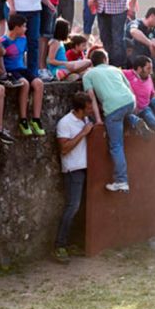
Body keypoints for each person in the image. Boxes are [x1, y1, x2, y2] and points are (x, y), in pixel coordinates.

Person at [83, 49, 152, 193]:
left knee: (116, 146)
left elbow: (92, 99)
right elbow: (130, 89)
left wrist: (98, 119)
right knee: (124, 115)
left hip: (113, 108)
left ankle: (121, 181)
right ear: (105, 60)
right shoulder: (115, 69)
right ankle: (134, 120)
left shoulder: (88, 75)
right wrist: (134, 107)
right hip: (129, 101)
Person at [52, 92, 94, 263]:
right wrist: (83, 133)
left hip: (84, 168)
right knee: (72, 207)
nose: (92, 110)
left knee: (79, 207)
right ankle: (59, 245)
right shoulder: (65, 123)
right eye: (89, 108)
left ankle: (69, 243)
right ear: (79, 109)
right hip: (73, 169)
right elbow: (64, 148)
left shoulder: (84, 120)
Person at [0, 14, 46, 136]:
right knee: (24, 84)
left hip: (21, 68)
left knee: (38, 83)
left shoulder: (23, 39)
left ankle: (36, 119)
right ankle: (23, 119)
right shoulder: (2, 41)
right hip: (10, 70)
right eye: (24, 26)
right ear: (16, 27)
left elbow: (23, 55)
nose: (26, 28)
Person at [124, 55, 155, 133]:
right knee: (147, 111)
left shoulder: (149, 78)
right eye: (148, 68)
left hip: (144, 107)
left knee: (151, 106)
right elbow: (116, 72)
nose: (151, 71)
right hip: (132, 108)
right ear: (139, 69)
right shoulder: (129, 74)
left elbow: (153, 94)